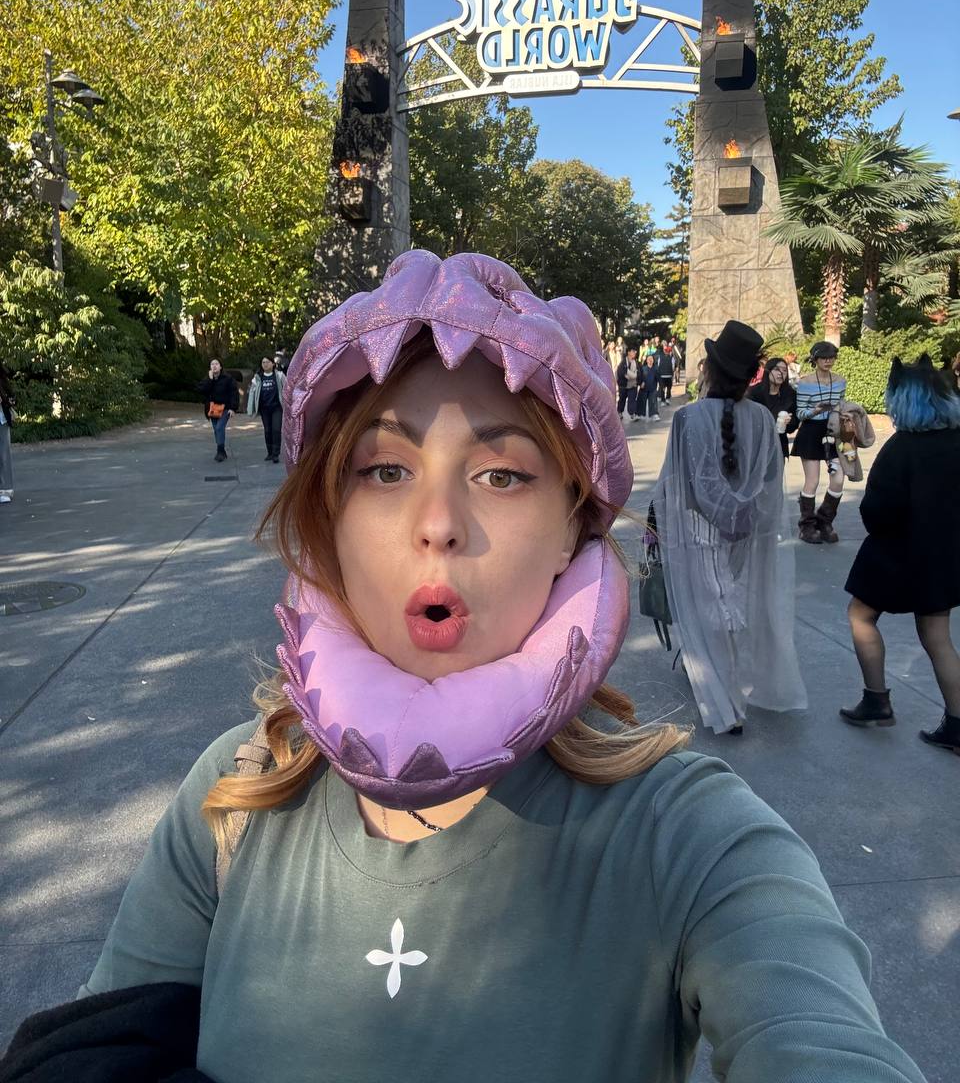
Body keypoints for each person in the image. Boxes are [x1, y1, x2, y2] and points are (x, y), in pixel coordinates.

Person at [47, 253, 925, 1083]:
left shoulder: (690, 835)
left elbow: (820, 1038)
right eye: (383, 470)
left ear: (574, 531)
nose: (438, 524)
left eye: (502, 476)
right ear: (328, 521)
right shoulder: (237, 795)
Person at [653, 320, 808, 737]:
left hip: (699, 529)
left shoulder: (689, 418)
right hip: (746, 528)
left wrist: (667, 524)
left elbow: (679, 484)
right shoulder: (761, 418)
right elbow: (771, 481)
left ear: (711, 369)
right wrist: (744, 514)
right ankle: (731, 688)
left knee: (715, 610)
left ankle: (727, 702)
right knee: (729, 601)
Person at [841, 355, 960, 756]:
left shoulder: (900, 448)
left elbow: (876, 512)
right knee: (937, 636)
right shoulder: (957, 441)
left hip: (896, 553)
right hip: (944, 554)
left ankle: (876, 700)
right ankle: (958, 725)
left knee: (860, 615)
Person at [792, 341, 847, 545]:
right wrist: (814, 411)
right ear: (815, 359)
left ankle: (824, 521)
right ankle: (806, 526)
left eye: (832, 357)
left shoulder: (840, 381)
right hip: (810, 431)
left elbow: (841, 404)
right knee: (812, 480)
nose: (828, 361)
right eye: (824, 358)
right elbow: (800, 413)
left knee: (838, 478)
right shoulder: (804, 383)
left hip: (833, 430)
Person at [748, 356, 798, 460]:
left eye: (784, 370)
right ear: (768, 371)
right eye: (776, 369)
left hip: (779, 445)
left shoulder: (790, 394)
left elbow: (793, 424)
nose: (780, 373)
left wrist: (789, 422)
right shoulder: (754, 393)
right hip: (756, 445)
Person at [197, 358, 240, 462]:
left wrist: (233, 408)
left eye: (216, 364)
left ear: (220, 367)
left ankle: (220, 451)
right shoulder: (208, 378)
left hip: (225, 407)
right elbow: (202, 390)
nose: (214, 366)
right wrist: (210, 379)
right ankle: (222, 450)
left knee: (220, 428)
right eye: (212, 364)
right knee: (216, 429)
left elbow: (234, 393)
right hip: (213, 408)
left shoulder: (228, 378)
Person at [247, 355, 287, 463]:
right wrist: (250, 409)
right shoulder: (257, 378)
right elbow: (252, 393)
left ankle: (276, 454)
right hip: (264, 409)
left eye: (268, 362)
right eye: (263, 362)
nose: (265, 364)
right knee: (268, 430)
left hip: (277, 408)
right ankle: (270, 453)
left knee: (276, 430)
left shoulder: (279, 375)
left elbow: (287, 388)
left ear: (273, 364)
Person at [0, 363, 15, 504]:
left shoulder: (2, 379)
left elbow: (12, 397)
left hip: (1, 420)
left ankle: (6, 489)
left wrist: (5, 400)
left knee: (4, 455)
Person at [615, 346, 640, 421]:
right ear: (628, 352)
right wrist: (627, 375)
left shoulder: (636, 362)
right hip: (623, 385)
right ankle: (620, 412)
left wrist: (640, 381)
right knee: (622, 399)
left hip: (633, 384)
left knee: (632, 399)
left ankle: (632, 414)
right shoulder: (623, 362)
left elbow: (639, 372)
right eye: (633, 351)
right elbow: (620, 372)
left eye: (635, 352)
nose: (634, 353)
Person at [638, 353, 659, 420]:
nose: (650, 360)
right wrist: (640, 383)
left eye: (651, 359)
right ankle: (640, 414)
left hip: (652, 388)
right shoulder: (643, 368)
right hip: (644, 388)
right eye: (648, 359)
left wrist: (660, 387)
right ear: (646, 360)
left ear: (653, 360)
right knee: (641, 401)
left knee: (653, 401)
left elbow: (658, 379)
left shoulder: (656, 369)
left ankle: (654, 414)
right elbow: (639, 377)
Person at [654, 338, 674, 404]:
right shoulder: (671, 358)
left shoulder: (660, 357)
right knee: (668, 388)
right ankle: (667, 398)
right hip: (669, 375)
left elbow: (658, 365)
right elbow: (673, 366)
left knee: (662, 388)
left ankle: (663, 400)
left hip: (662, 375)